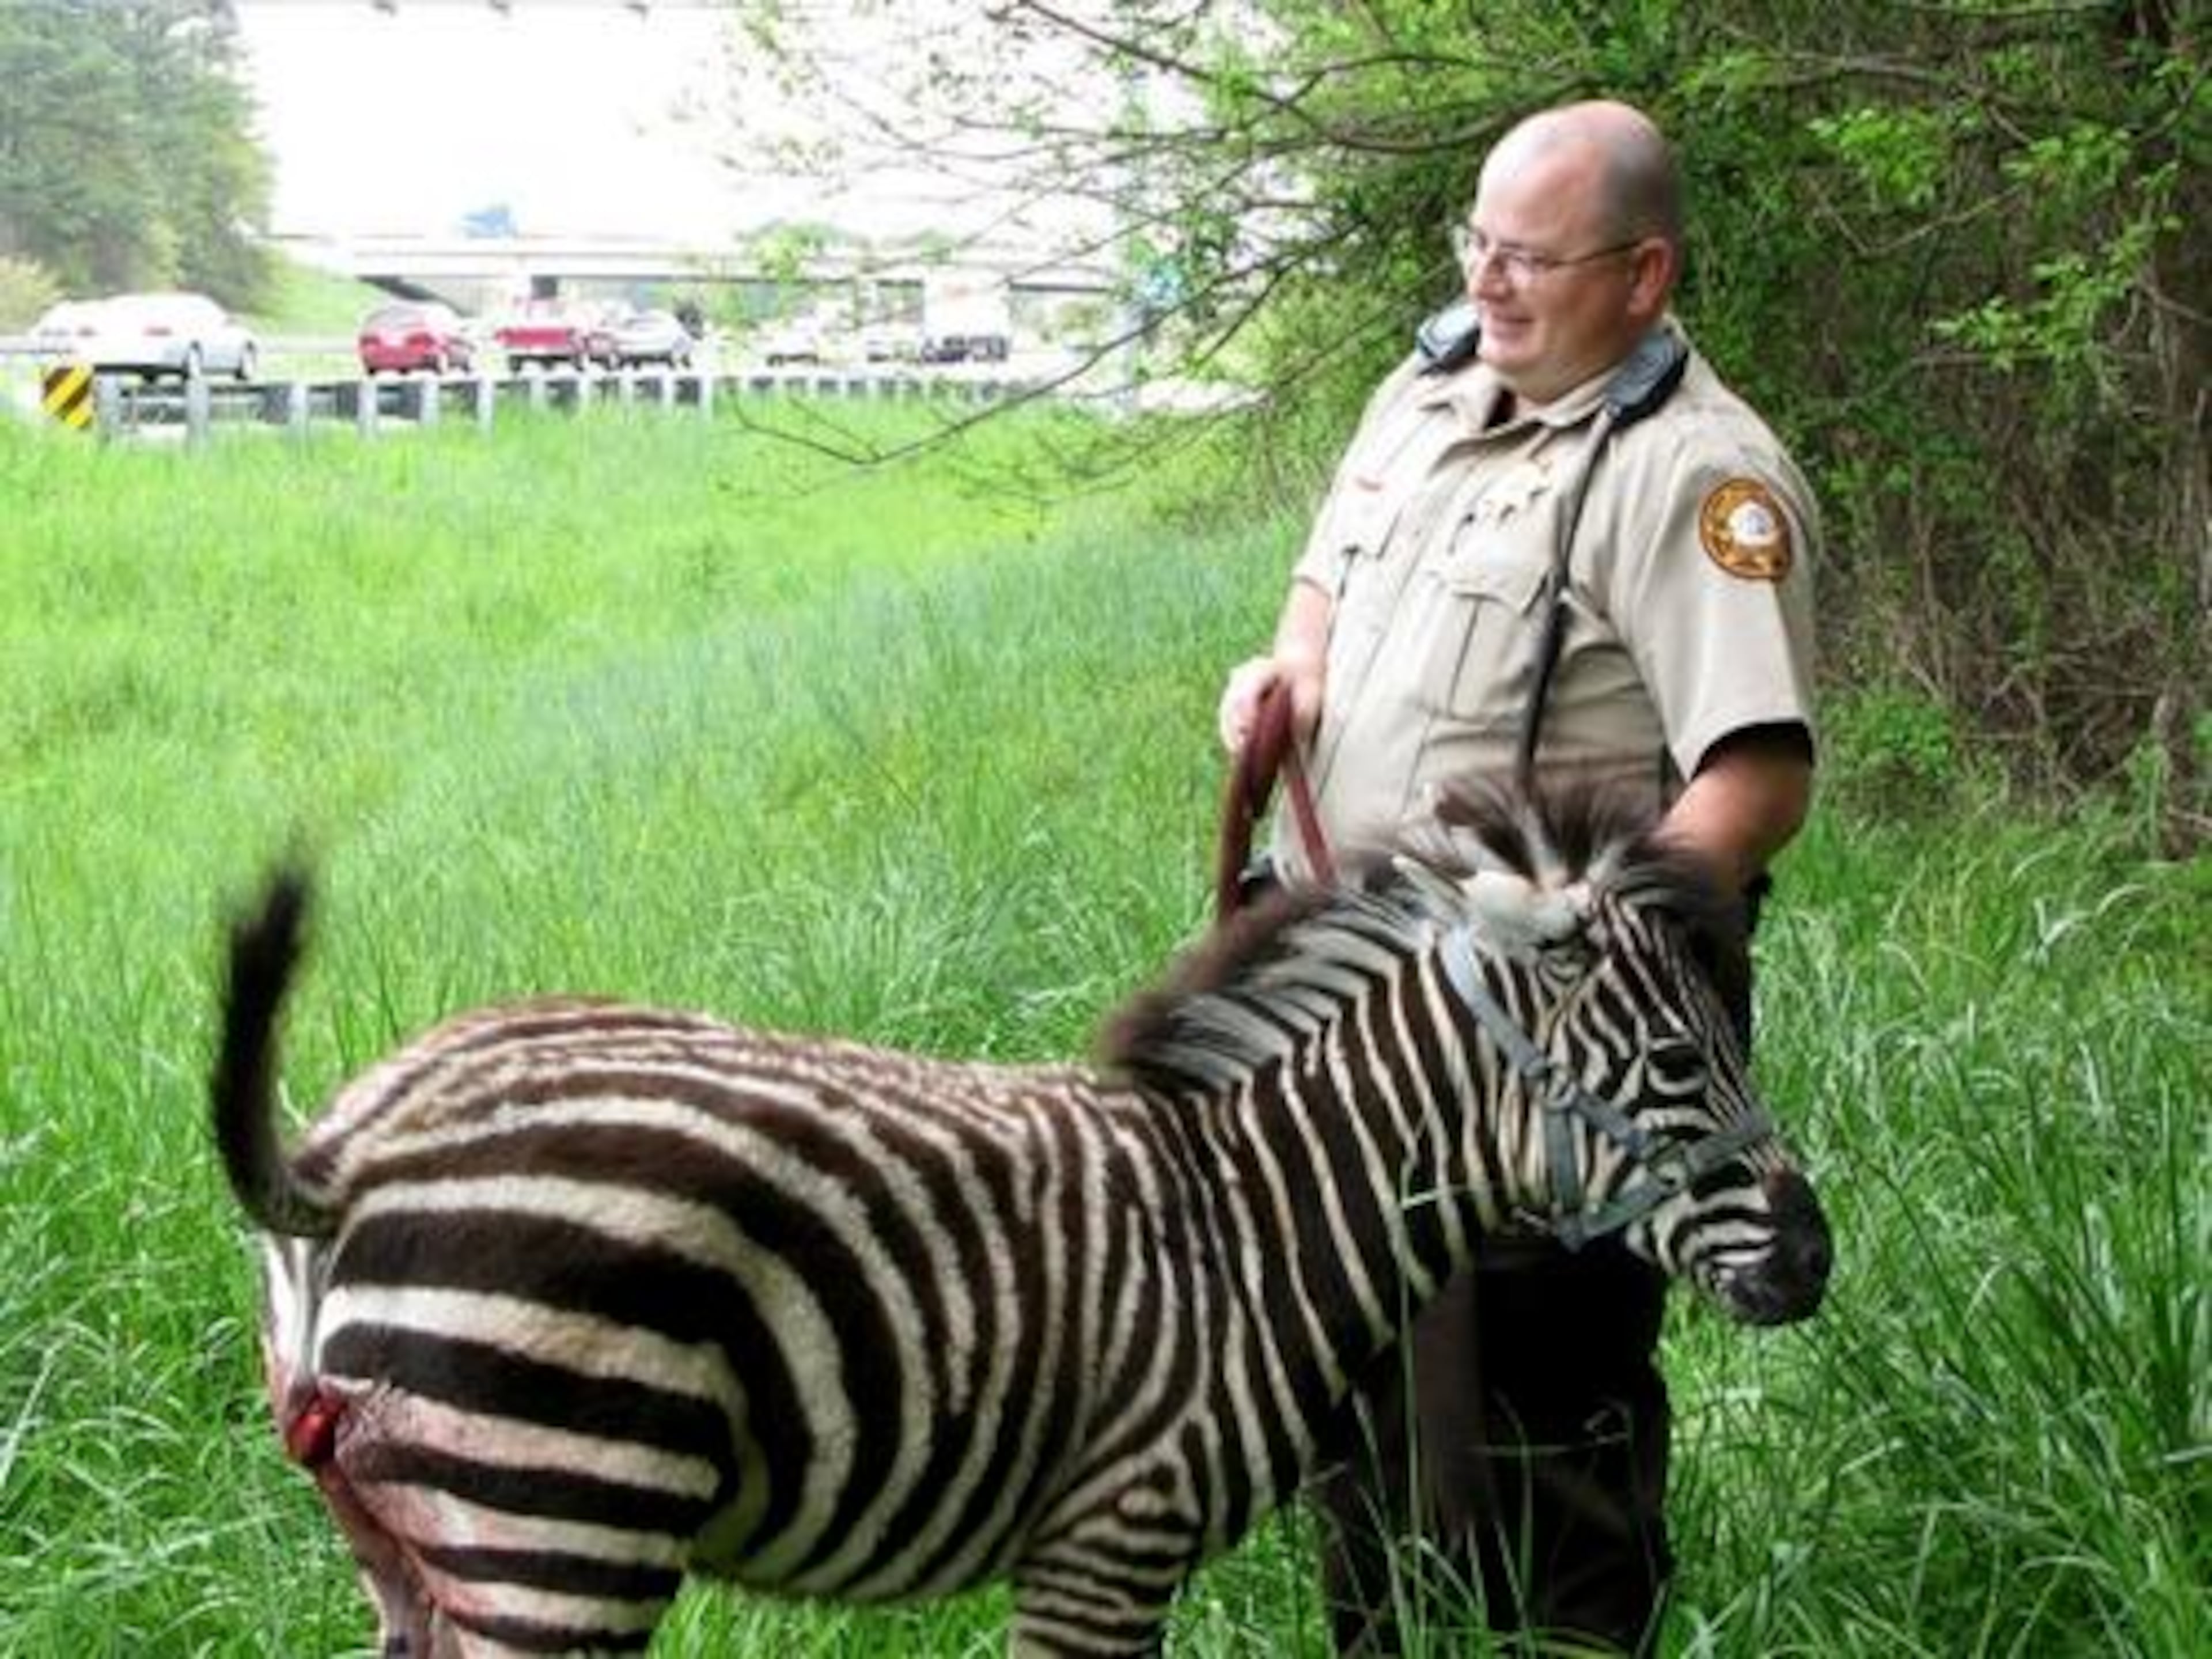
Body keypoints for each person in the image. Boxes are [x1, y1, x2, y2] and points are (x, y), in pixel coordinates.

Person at [1215, 100, 1820, 1655]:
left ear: (1644, 273)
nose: (1489, 280)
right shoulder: (1421, 395)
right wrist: (1282, 676)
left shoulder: (1696, 477)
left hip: (1556, 1046)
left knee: (1549, 1410)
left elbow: (1755, 781)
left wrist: (1581, 962)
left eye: (1531, 257)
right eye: (1476, 240)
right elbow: (1320, 585)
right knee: (1357, 1381)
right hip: (1352, 1010)